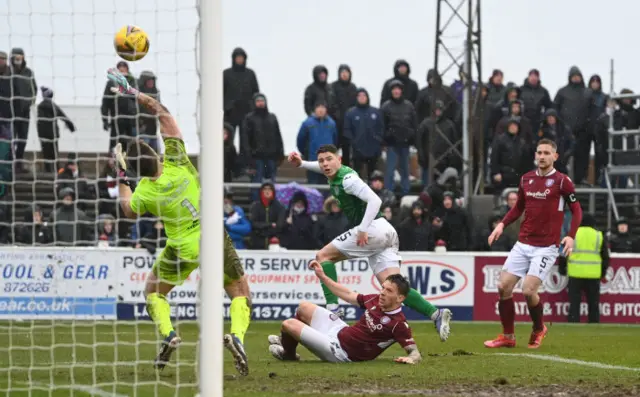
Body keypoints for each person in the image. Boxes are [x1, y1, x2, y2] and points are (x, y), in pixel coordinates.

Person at [105, 68, 252, 375]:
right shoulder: (177, 162)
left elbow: (128, 211)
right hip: (212, 237)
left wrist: (120, 175)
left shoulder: (144, 190)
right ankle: (236, 337)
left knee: (153, 292)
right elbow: (164, 114)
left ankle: (170, 334)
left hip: (181, 247)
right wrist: (134, 93)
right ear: (157, 155)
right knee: (240, 293)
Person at [288, 144, 452, 341]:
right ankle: (435, 314)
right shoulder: (334, 172)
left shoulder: (348, 180)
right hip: (386, 231)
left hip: (373, 229)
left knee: (323, 256)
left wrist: (363, 228)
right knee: (393, 288)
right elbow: (321, 165)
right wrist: (302, 164)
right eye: (322, 161)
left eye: (329, 159)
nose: (324, 164)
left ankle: (333, 311)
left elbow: (375, 200)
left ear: (339, 159)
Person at [485, 138, 583, 349]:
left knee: (529, 291)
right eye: (539, 152)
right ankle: (508, 336)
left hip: (546, 246)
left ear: (555, 157)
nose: (542, 156)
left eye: (547, 153)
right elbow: (518, 207)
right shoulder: (526, 179)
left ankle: (539, 328)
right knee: (503, 287)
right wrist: (502, 224)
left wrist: (571, 235)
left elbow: (576, 210)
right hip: (523, 243)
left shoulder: (562, 181)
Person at [268, 265, 422, 365]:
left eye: (388, 291)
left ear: (400, 298)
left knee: (288, 324)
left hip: (341, 352)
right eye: (382, 288)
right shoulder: (375, 299)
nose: (382, 293)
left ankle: (289, 354)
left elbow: (415, 352)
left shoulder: (398, 324)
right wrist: (322, 276)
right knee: (303, 307)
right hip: (339, 330)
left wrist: (411, 359)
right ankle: (286, 341)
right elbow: (347, 294)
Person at [558, 213, 609, 323]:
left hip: (575, 273)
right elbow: (605, 257)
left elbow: (562, 252)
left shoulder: (571, 235)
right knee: (593, 303)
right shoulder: (598, 235)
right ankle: (594, 323)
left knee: (574, 302)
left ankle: (573, 323)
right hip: (593, 274)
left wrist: (562, 268)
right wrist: (603, 272)